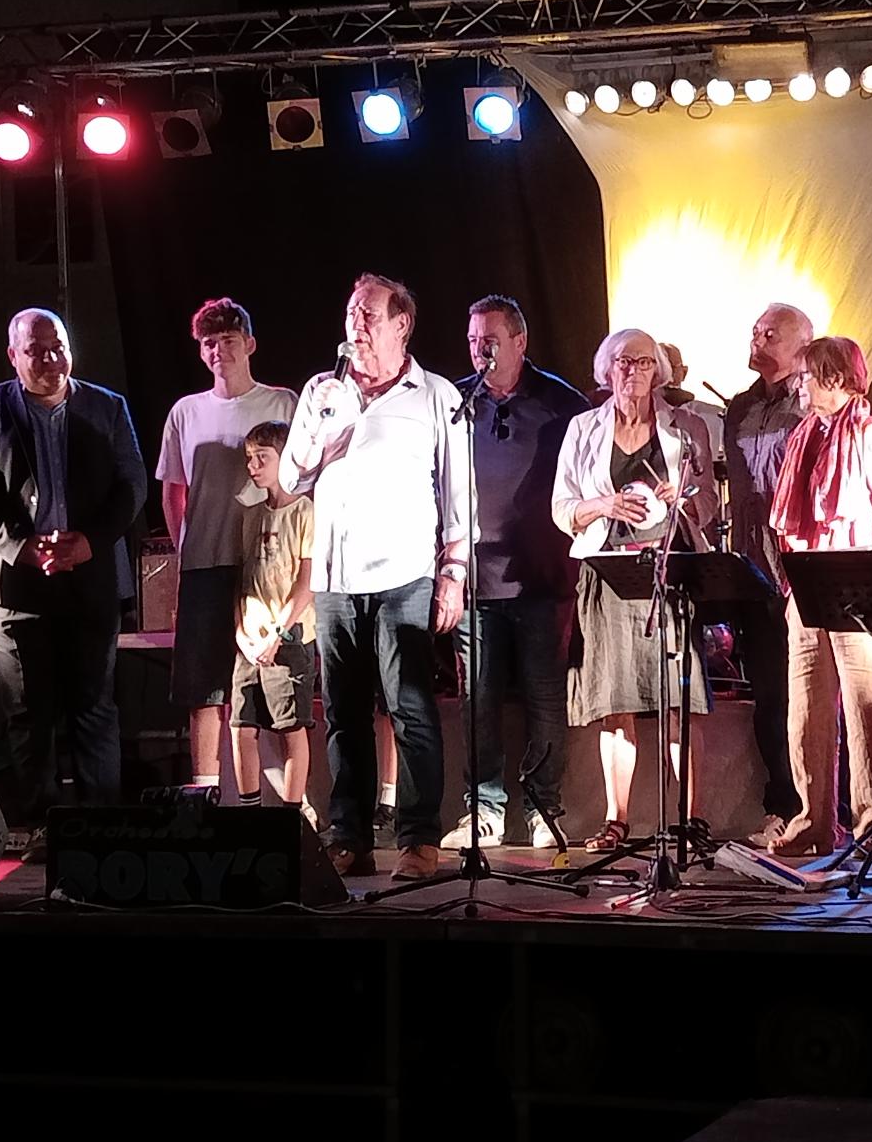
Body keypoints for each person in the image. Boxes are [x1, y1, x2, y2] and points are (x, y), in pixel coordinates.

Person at [281, 274, 469, 881]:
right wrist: (322, 439)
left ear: (401, 324)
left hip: (405, 575)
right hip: (336, 578)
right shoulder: (322, 390)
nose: (356, 325)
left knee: (410, 708)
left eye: (368, 315)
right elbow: (290, 479)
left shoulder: (435, 395)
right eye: (351, 314)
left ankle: (418, 839)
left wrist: (453, 573)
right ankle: (351, 837)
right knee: (343, 713)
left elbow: (459, 494)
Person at [0, 310, 147, 842]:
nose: (51, 358)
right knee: (27, 712)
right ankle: (42, 828)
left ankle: (101, 828)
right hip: (13, 583)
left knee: (94, 707)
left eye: (58, 346)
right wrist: (19, 547)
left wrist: (90, 542)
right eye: (36, 350)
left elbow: (132, 484)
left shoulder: (107, 406)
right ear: (13, 356)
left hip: (90, 577)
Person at [552, 328, 718, 852]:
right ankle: (615, 818)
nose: (633, 371)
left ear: (658, 372)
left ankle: (690, 820)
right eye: (624, 361)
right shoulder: (583, 428)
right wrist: (603, 505)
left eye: (644, 362)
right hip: (607, 574)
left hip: (668, 571)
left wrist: (684, 496)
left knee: (678, 702)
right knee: (614, 702)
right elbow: (561, 508)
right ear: (607, 369)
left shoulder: (685, 427)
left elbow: (709, 503)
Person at [439, 294, 590, 852]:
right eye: (473, 341)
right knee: (477, 701)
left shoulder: (562, 404)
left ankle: (544, 808)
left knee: (545, 698)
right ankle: (483, 810)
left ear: (520, 342)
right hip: (476, 581)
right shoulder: (455, 404)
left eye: (491, 340)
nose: (481, 351)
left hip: (543, 578)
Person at [764, 337, 872, 856]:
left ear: (836, 378)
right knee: (805, 705)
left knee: (865, 706)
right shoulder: (803, 436)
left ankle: (871, 820)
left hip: (855, 582)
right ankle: (814, 819)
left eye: (806, 376)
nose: (798, 386)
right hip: (806, 584)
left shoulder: (869, 435)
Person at [154, 298, 299, 792]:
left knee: (274, 690)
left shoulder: (281, 403)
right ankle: (203, 795)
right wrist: (185, 549)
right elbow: (173, 488)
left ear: (250, 344)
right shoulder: (185, 412)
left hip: (267, 567)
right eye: (209, 343)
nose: (219, 351)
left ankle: (289, 803)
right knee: (204, 688)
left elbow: (303, 481)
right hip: (205, 564)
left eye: (229, 340)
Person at [722, 303, 813, 845]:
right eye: (755, 331)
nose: (757, 340)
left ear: (802, 345)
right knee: (768, 694)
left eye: (770, 334)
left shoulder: (810, 403)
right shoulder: (740, 406)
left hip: (799, 568)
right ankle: (781, 804)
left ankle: (820, 805)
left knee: (808, 695)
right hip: (752, 567)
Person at [230, 419, 315, 821]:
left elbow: (306, 581)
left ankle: (290, 815)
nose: (253, 466)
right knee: (241, 725)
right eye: (249, 458)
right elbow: (244, 579)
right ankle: (250, 813)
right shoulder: (250, 516)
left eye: (262, 457)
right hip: (251, 639)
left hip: (288, 637)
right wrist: (241, 632)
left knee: (290, 726)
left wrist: (277, 634)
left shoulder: (306, 511)